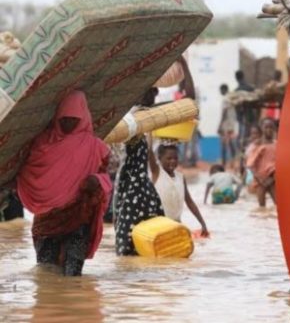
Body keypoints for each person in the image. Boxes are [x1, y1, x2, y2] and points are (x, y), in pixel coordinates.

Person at [15, 91, 112, 276]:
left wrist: (97, 180)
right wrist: (18, 182)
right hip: (47, 221)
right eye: (64, 118)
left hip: (78, 217)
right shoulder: (42, 143)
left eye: (74, 119)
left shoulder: (96, 147)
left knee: (73, 275)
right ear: (57, 116)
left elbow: (106, 177)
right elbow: (29, 172)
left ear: (83, 117)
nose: (68, 123)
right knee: (46, 273)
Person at [114, 88, 165, 256]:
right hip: (131, 181)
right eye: (148, 92)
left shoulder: (147, 118)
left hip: (142, 182)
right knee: (127, 228)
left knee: (154, 223)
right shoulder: (131, 118)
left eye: (154, 93)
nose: (152, 96)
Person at [153, 144, 209, 237]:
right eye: (169, 158)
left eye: (175, 158)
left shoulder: (180, 177)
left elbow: (190, 202)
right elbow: (149, 152)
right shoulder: (157, 173)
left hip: (176, 224)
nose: (173, 161)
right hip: (160, 225)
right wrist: (150, 136)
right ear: (159, 158)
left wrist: (203, 224)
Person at [247, 118, 276, 207]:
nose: (269, 130)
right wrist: (260, 180)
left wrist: (272, 179)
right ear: (262, 129)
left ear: (274, 129)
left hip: (273, 179)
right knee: (261, 207)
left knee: (278, 204)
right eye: (266, 127)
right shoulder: (257, 145)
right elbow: (250, 165)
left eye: (271, 127)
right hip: (260, 180)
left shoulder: (277, 144)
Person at [218, 83, 237, 167]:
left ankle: (224, 163)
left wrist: (220, 125)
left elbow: (224, 113)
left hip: (225, 125)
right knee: (230, 144)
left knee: (224, 145)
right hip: (231, 125)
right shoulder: (231, 99)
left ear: (224, 89)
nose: (220, 92)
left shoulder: (225, 99)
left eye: (221, 90)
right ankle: (233, 160)